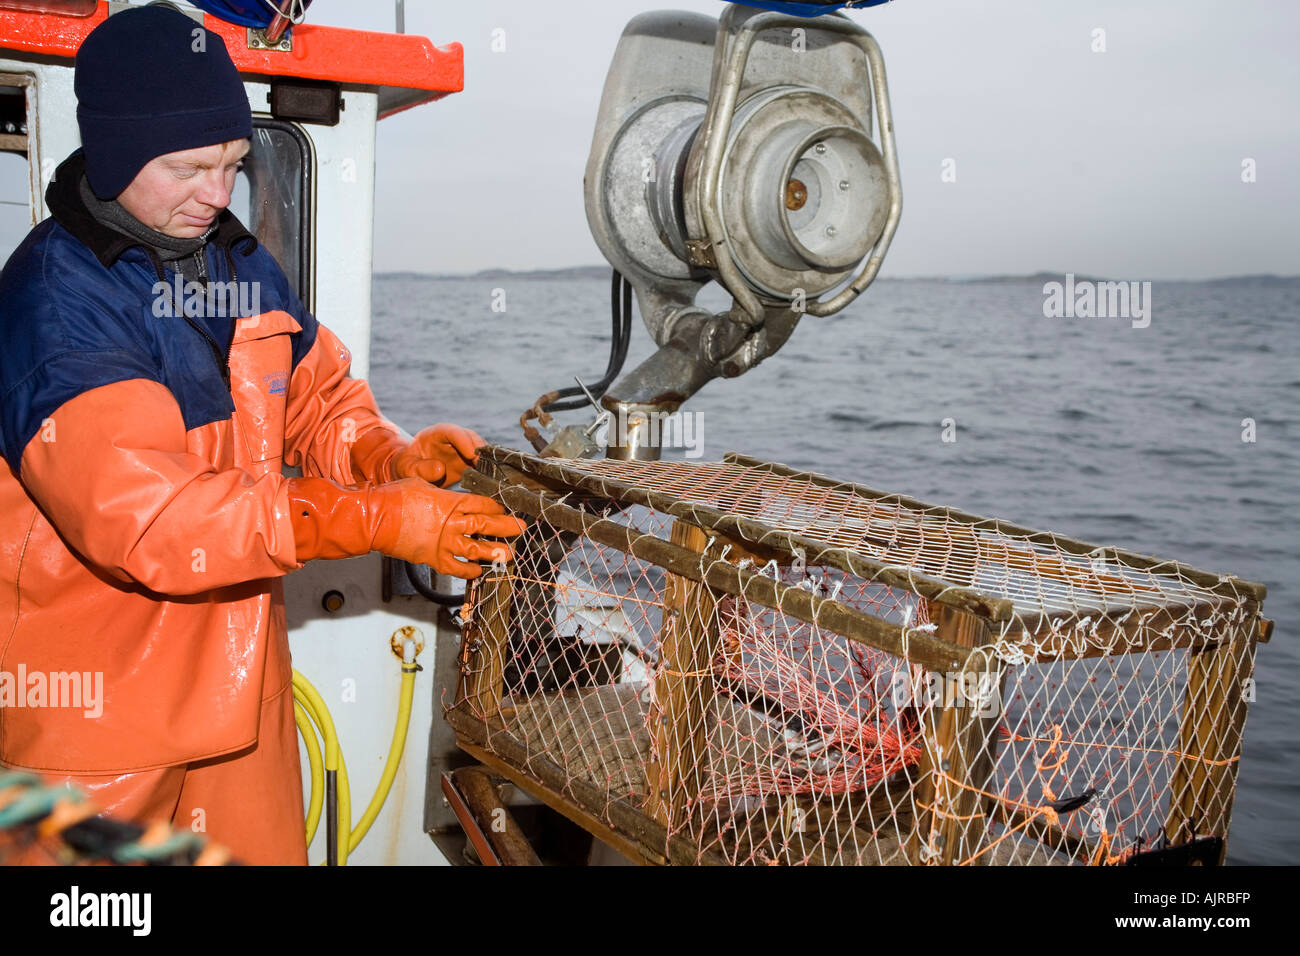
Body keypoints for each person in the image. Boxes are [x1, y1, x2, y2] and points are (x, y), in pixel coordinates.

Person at [0, 6, 525, 865]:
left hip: (241, 693)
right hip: (97, 726)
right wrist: (377, 519)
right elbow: (156, 525)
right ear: (115, 152)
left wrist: (386, 456)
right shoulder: (56, 306)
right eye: (189, 167)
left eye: (234, 166)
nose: (216, 193)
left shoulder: (233, 261)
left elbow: (316, 399)